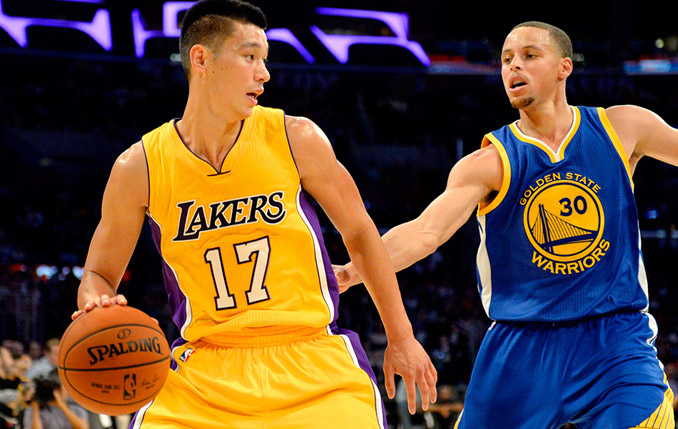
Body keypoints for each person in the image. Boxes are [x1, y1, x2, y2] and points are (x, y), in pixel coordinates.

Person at [334, 21, 678, 428]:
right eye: (507, 59)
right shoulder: (488, 162)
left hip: (613, 339)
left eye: (529, 55)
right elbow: (425, 232)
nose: (514, 66)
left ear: (564, 67)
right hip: (521, 345)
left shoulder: (622, 126)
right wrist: (354, 271)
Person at [70, 0, 437, 427]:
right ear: (201, 59)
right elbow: (98, 274)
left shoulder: (297, 138)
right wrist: (96, 304)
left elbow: (360, 233)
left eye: (264, 60)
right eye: (249, 57)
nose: (264, 74)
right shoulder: (140, 167)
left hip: (312, 361)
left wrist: (401, 336)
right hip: (204, 374)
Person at [21, 370, 89, 429]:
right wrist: (35, 405)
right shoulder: (34, 410)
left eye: (59, 388)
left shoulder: (76, 408)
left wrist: (61, 404)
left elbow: (83, 427)